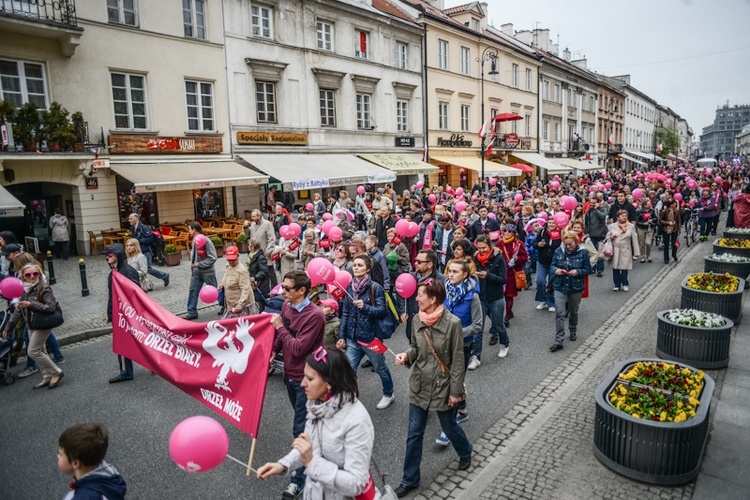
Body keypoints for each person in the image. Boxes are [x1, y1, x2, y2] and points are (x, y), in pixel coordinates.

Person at [257, 348, 375, 500]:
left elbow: (356, 483)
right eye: (304, 376)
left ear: (329, 384)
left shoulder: (357, 421)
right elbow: (309, 447)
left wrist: (312, 463)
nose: (302, 384)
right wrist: (283, 464)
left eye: (310, 379)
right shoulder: (318, 404)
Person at [394, 279, 472, 498]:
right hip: (419, 384)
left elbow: (457, 360)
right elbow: (415, 348)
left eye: (420, 295)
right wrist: (406, 356)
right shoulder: (417, 319)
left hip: (443, 386)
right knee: (414, 434)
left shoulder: (453, 323)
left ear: (433, 299)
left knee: (449, 427)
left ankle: (465, 451)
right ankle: (409, 480)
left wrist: (456, 392)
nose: (416, 298)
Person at [270, 271, 326, 499]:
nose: (282, 291)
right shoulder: (287, 306)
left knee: (300, 429)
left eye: (287, 288)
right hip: (290, 376)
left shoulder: (315, 316)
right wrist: (273, 350)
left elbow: (298, 348)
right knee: (306, 424)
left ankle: (299, 479)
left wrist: (280, 327)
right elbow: (282, 339)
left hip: (307, 379)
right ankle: (319, 452)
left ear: (301, 291)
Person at [336, 254, 395, 410]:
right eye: (354, 265)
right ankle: (350, 396)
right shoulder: (349, 287)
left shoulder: (375, 288)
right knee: (348, 370)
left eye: (360, 265)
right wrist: (342, 336)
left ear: (368, 269)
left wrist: (366, 307)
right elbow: (346, 314)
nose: (356, 267)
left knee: (380, 368)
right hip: (352, 338)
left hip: (370, 338)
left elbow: (382, 311)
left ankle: (389, 394)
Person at [434, 259, 481, 443]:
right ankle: (462, 409)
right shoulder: (444, 291)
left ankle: (449, 427)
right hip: (444, 343)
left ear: (465, 275)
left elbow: (477, 326)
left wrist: (456, 333)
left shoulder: (473, 297)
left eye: (455, 272)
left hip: (463, 345)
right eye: (449, 271)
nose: (451, 274)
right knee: (450, 378)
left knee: (453, 381)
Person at [2, 262, 64, 389]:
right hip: (31, 324)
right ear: (23, 276)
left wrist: (30, 304)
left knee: (32, 351)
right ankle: (47, 376)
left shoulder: (44, 288)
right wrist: (8, 327)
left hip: (44, 323)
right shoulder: (23, 290)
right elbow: (18, 311)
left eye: (35, 274)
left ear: (39, 274)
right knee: (41, 350)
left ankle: (56, 372)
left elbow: (51, 307)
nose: (32, 277)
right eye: (28, 274)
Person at [549, 231, 594, 352]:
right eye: (566, 244)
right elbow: (552, 266)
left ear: (576, 241)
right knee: (559, 312)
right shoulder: (559, 251)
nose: (568, 246)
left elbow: (588, 269)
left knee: (573, 311)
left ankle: (573, 330)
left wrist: (578, 272)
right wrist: (556, 270)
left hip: (576, 287)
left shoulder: (583, 252)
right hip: (560, 285)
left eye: (570, 244)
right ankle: (559, 340)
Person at [58, 423, 127, 500]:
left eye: (60, 454)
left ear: (75, 463)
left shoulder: (81, 497)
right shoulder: (109, 474)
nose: (57, 456)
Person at [104, 243, 140, 383]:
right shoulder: (113, 273)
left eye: (110, 254)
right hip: (119, 315)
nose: (107, 257)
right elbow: (112, 296)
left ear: (118, 255)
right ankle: (125, 372)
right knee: (123, 343)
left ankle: (152, 364)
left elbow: (135, 293)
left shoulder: (128, 271)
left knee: (138, 341)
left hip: (128, 315)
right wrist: (110, 314)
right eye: (106, 255)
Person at [473, 235, 508, 361]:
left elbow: (503, 279)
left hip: (496, 297)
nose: (481, 250)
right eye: (479, 248)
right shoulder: (475, 258)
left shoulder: (498, 258)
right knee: (478, 329)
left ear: (490, 246)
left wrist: (488, 276)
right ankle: (476, 357)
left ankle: (504, 344)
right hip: (481, 297)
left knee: (498, 325)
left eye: (484, 248)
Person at [397, 249, 445, 342]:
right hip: (412, 326)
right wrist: (403, 310)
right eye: (415, 260)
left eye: (419, 262)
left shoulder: (440, 280)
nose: (415, 263)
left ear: (430, 264)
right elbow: (402, 295)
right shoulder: (410, 277)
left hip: (431, 327)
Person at [185, 222, 217, 320]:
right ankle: (191, 311)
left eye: (190, 229)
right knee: (193, 290)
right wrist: (194, 267)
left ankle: (225, 306)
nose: (189, 231)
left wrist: (200, 264)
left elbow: (213, 257)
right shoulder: (194, 241)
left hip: (207, 272)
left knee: (216, 290)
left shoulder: (206, 241)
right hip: (196, 271)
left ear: (194, 229)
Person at [497, 223, 528, 325]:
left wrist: (517, 259)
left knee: (509, 295)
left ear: (514, 233)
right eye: (504, 231)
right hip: (500, 272)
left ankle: (507, 315)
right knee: (499, 295)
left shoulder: (518, 244)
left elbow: (525, 257)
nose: (506, 233)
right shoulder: (499, 244)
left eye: (509, 231)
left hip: (512, 272)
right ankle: (499, 314)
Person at [128, 213, 169, 287]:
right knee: (140, 268)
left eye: (131, 218)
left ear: (136, 219)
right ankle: (140, 284)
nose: (129, 220)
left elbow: (150, 238)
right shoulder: (133, 228)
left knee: (148, 269)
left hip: (146, 251)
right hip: (139, 251)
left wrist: (138, 241)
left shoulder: (144, 227)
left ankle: (164, 276)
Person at [607, 210, 640, 291]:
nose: (624, 217)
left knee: (624, 268)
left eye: (625, 216)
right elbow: (607, 236)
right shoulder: (612, 226)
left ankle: (625, 283)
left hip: (625, 249)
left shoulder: (631, 226)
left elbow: (634, 239)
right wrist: (610, 237)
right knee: (615, 268)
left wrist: (636, 252)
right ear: (618, 217)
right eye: (622, 216)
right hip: (615, 249)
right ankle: (617, 284)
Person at [219, 246, 255, 319]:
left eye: (233, 259)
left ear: (238, 256)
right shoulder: (228, 265)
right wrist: (223, 284)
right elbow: (226, 275)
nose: (231, 262)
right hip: (231, 304)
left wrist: (240, 305)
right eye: (229, 260)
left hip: (241, 306)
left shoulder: (241, 271)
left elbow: (246, 289)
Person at [533, 219, 561, 311]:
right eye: (550, 223)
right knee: (539, 281)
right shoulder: (542, 232)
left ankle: (551, 303)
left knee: (551, 283)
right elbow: (535, 244)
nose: (552, 224)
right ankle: (542, 300)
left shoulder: (560, 232)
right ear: (547, 224)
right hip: (542, 261)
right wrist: (539, 244)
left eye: (554, 222)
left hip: (554, 262)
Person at [247, 209, 279, 288]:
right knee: (258, 271)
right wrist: (245, 228)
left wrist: (268, 251)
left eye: (254, 216)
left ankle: (275, 288)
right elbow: (248, 234)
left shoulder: (267, 224)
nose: (252, 218)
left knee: (269, 271)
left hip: (264, 252)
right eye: (251, 216)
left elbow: (272, 239)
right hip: (254, 252)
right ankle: (260, 288)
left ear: (259, 216)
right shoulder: (253, 224)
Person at [584, 195, 609, 277]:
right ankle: (593, 267)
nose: (592, 205)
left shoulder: (602, 209)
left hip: (600, 234)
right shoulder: (588, 211)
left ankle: (600, 270)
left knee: (599, 252)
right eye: (591, 203)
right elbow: (587, 223)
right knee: (593, 252)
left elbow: (602, 217)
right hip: (592, 234)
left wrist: (596, 209)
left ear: (598, 203)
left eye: (594, 203)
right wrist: (586, 232)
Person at [247, 239, 270, 308]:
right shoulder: (252, 256)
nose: (248, 247)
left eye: (249, 246)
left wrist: (255, 277)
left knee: (261, 303)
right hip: (256, 283)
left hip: (261, 284)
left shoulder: (260, 257)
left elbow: (264, 271)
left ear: (253, 247)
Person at [659, 198, 682, 264]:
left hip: (674, 229)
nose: (675, 204)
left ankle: (674, 255)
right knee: (666, 244)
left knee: (674, 243)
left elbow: (678, 221)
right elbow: (661, 220)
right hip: (666, 229)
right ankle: (666, 258)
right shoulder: (664, 211)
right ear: (670, 205)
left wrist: (679, 230)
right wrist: (668, 223)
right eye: (673, 203)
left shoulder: (676, 211)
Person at [635, 198, 657, 263]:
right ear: (644, 205)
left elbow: (655, 218)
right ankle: (643, 256)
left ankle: (649, 255)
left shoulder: (652, 211)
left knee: (648, 243)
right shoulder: (639, 211)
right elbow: (637, 220)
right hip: (641, 228)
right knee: (642, 244)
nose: (650, 205)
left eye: (650, 203)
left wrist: (652, 220)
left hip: (649, 228)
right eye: (648, 204)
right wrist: (643, 223)